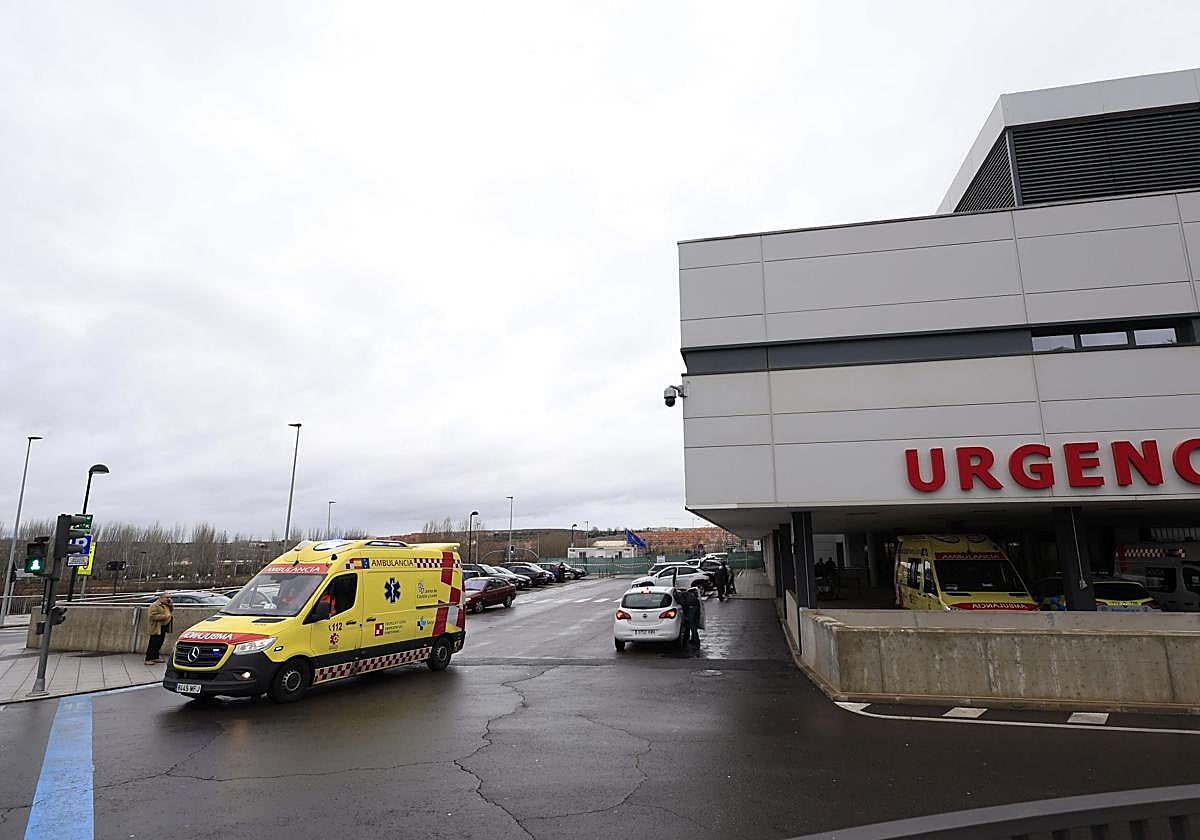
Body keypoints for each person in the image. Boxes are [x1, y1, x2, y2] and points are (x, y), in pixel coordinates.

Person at [145, 592, 173, 665]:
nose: (169, 599)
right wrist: (165, 616)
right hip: (156, 627)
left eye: (169, 597)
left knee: (159, 643)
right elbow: (152, 616)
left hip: (163, 627)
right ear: (161, 598)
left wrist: (170, 605)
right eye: (167, 597)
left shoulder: (166, 605)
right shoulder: (154, 605)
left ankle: (155, 657)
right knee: (153, 643)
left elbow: (171, 611)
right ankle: (148, 659)